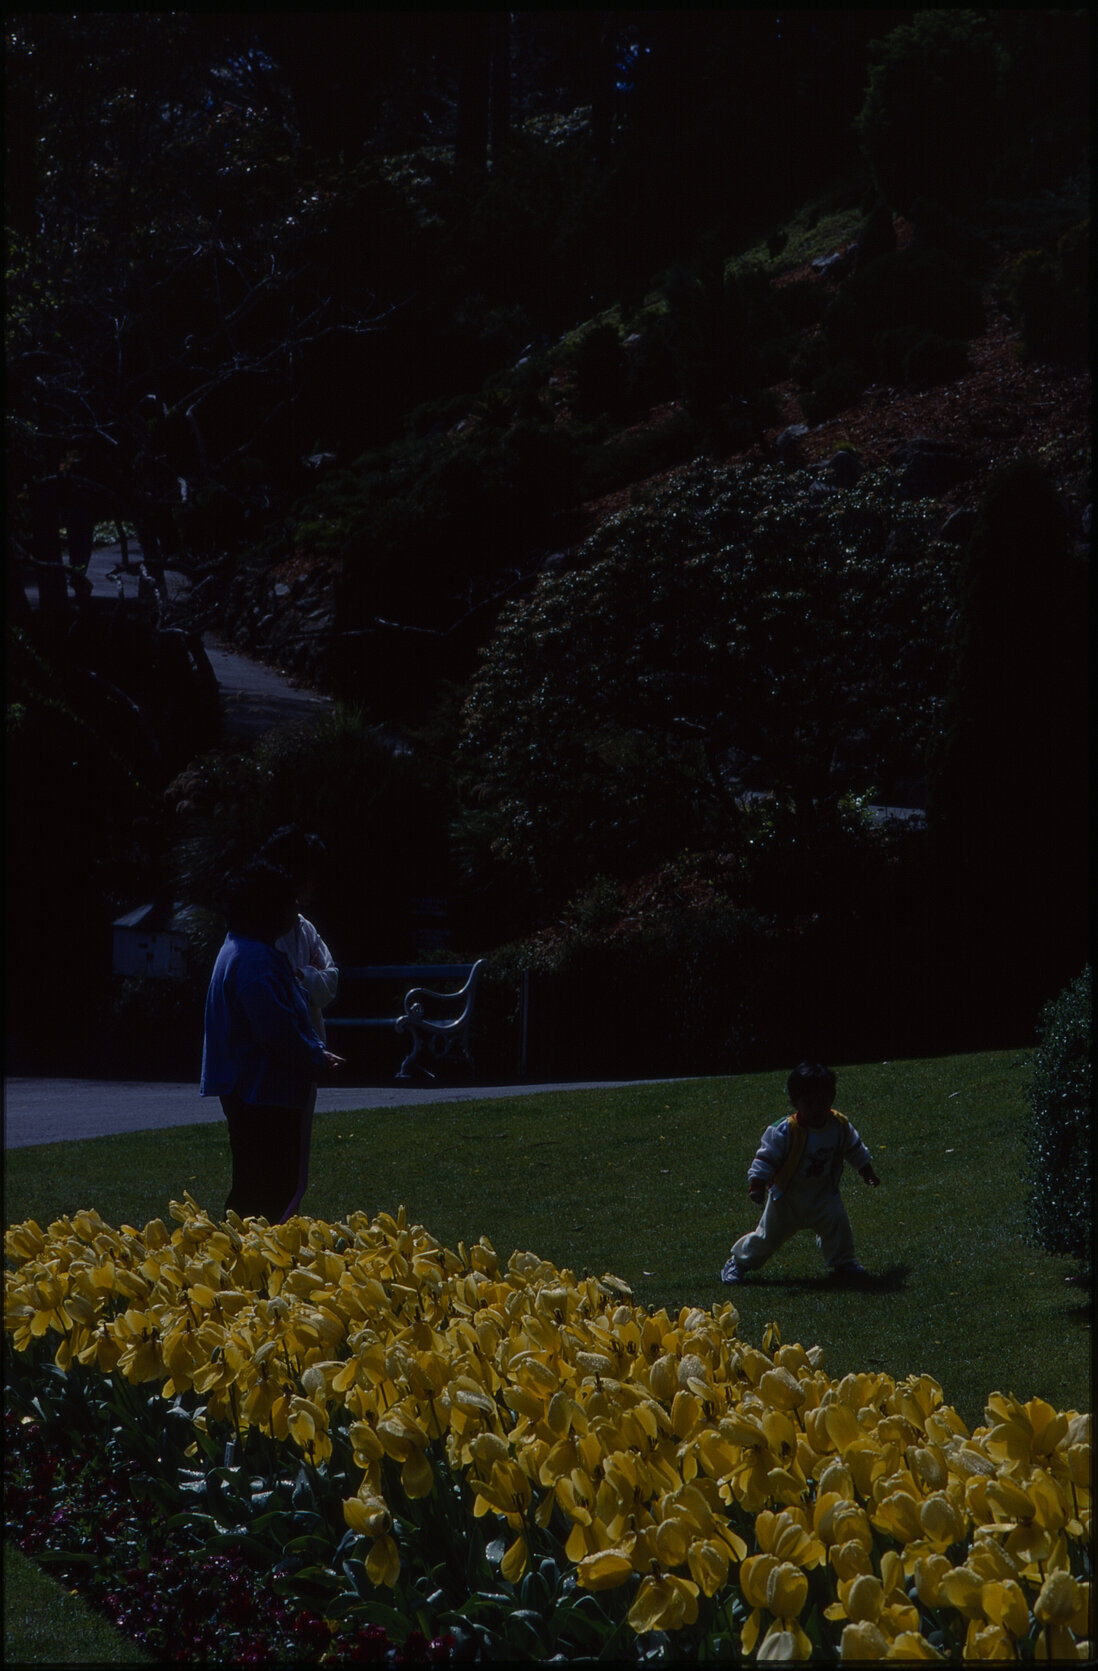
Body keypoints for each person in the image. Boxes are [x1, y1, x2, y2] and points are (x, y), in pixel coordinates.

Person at [199, 861, 343, 1223]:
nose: (295, 913)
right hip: (263, 1092)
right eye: (288, 904)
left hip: (250, 1090)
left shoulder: (241, 950)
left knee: (253, 1182)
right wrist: (315, 1058)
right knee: (271, 1189)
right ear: (266, 910)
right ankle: (260, 1263)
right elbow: (276, 1032)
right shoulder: (256, 961)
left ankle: (247, 1259)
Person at [720, 1062, 881, 1285]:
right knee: (767, 1237)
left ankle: (844, 1263)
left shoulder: (839, 1125)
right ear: (795, 1103)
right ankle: (739, 1262)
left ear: (832, 1098)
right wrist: (757, 1184)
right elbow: (766, 1157)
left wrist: (867, 1170)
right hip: (788, 1198)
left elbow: (854, 1148)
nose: (816, 1109)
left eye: (823, 1102)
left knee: (837, 1225)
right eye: (809, 1103)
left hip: (824, 1194)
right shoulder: (784, 1131)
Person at [257, 826, 340, 1216]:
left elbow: (330, 982)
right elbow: (281, 991)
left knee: (297, 1172)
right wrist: (307, 979)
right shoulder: (267, 931)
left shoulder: (305, 929)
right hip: (278, 1061)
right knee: (269, 1167)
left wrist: (303, 977)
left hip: (309, 1055)